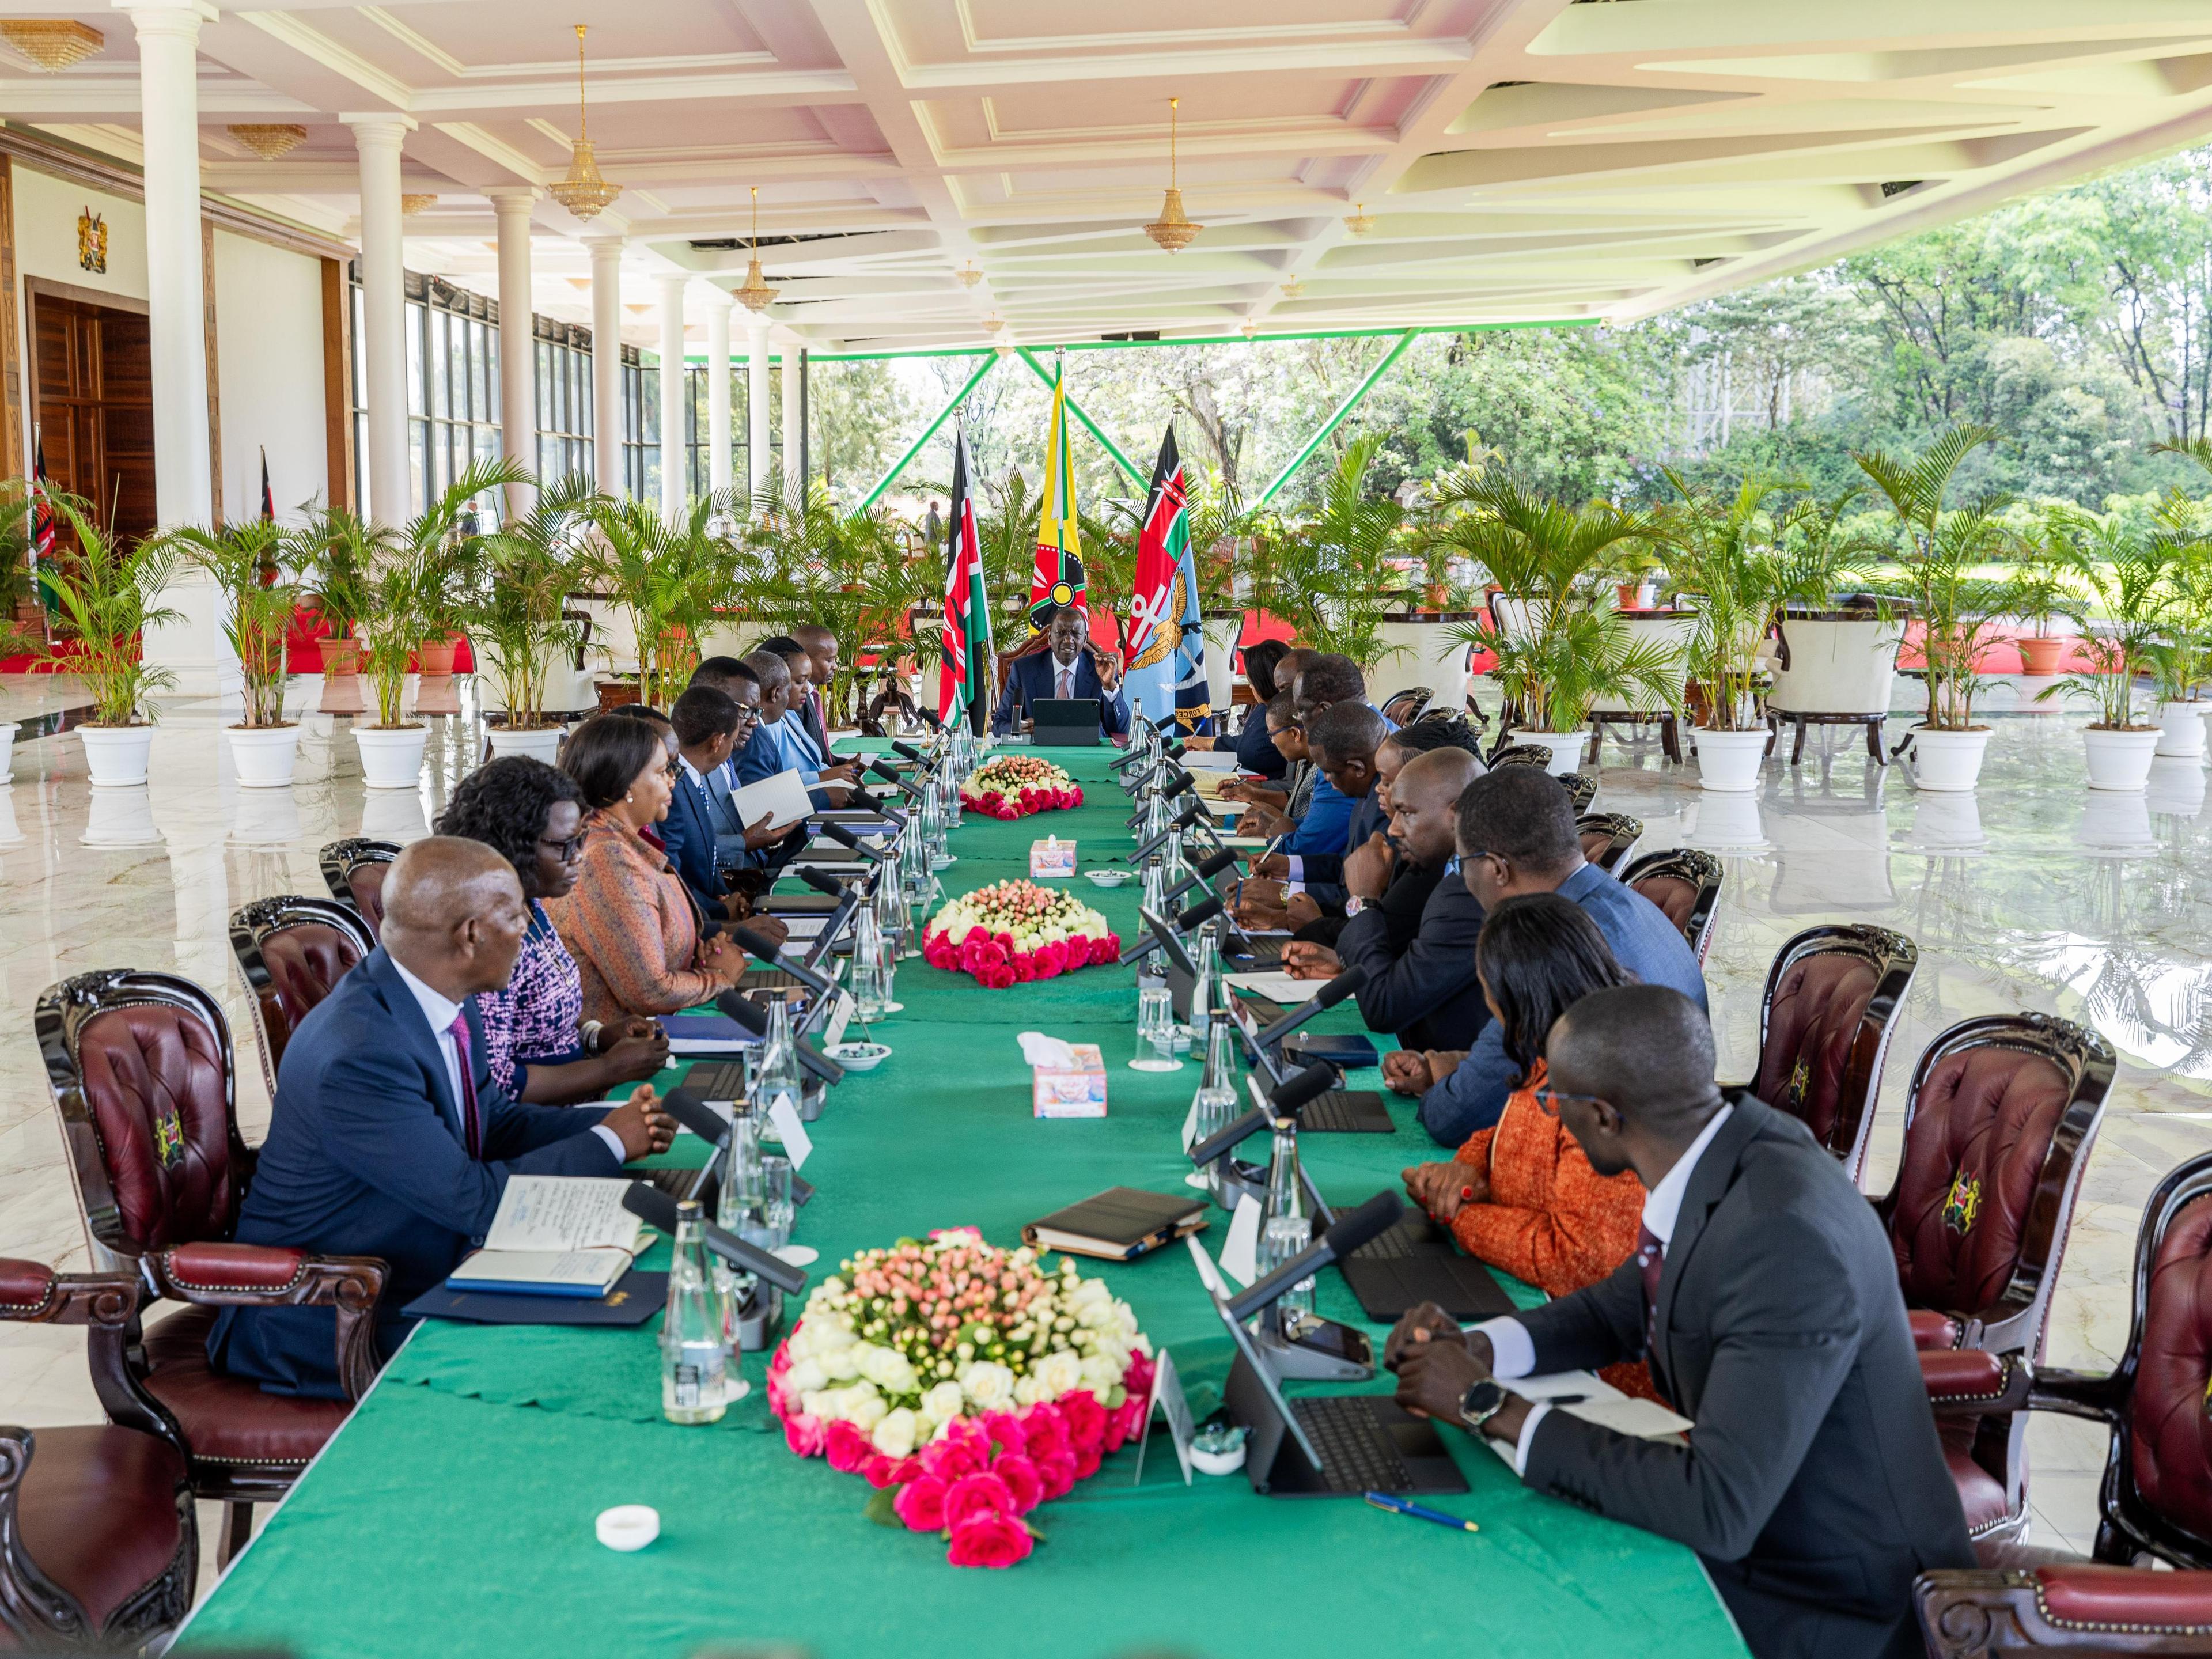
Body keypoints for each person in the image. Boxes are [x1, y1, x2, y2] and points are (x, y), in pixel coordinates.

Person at [1387, 984, 1974, 1658]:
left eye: (1556, 1104)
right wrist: (1480, 1348)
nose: (1552, 1116)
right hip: (1762, 1532)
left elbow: (1718, 1507)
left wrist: (1485, 1404)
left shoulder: (1786, 1241)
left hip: (1831, 1597)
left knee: (1510, 1606)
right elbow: (1623, 1306)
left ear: (1605, 1117)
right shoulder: (1722, 1144)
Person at [205, 837, 677, 1398]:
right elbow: (473, 1199)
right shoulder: (358, 1054)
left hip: (417, 1256)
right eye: (516, 915)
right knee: (583, 1360)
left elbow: (493, 1125)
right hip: (327, 1310)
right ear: (471, 935)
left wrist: (617, 1125)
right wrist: (609, 1143)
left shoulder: (439, 995)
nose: (528, 929)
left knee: (633, 1297)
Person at [1390, 766, 1707, 1146]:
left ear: (1496, 869)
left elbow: (1456, 1117)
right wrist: (1451, 1066)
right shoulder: (1627, 902)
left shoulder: (1552, 950)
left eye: (1461, 863)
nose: (1462, 877)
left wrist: (1443, 1088)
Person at [1397, 896, 1647, 1369]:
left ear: (1514, 997)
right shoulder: (1554, 1045)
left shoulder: (1598, 1093)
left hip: (1596, 1363)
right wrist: (1465, 1169)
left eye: (1487, 990)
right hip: (1536, 1308)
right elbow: (1506, 1129)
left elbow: (1575, 1258)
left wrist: (1455, 1212)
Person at [433, 757, 670, 1104]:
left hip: (579, 1092)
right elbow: (498, 1085)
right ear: (515, 844)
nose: (579, 857)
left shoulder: (530, 904)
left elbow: (539, 1030)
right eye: (564, 846)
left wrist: (600, 1037)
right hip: (533, 1125)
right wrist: (607, 1071)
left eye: (580, 841)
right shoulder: (487, 937)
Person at [546, 713, 759, 1023]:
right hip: (629, 1050)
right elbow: (650, 993)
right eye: (662, 772)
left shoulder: (626, 839)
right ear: (625, 784)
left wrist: (701, 951)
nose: (673, 781)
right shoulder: (607, 859)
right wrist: (720, 977)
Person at [1283, 747, 1488, 1050]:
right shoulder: (1447, 869)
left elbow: (1385, 1008)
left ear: (1456, 814)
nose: (1393, 828)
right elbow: (1417, 966)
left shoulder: (1470, 892)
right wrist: (1346, 964)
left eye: (1406, 814)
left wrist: (1364, 900)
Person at [1281, 710, 1484, 944]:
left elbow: (1385, 942)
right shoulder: (1424, 847)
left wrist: (1322, 919)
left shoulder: (1446, 877)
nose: (1379, 788)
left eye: (1389, 782)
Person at [662, 684, 798, 926]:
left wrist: (726, 896)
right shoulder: (673, 790)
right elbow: (673, 873)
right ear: (717, 743)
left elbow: (707, 855)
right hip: (697, 920)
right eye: (732, 741)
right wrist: (721, 910)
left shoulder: (692, 780)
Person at [685, 657, 797, 872]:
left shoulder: (727, 755)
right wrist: (743, 843)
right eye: (746, 711)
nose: (754, 721)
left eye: (756, 712)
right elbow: (686, 847)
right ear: (711, 705)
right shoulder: (685, 769)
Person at [736, 647, 861, 809]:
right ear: (775, 694)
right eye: (795, 685)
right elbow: (765, 805)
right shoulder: (754, 735)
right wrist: (823, 793)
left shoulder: (785, 718)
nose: (807, 689)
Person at [991, 603, 1130, 740]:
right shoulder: (1023, 670)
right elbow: (999, 725)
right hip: (1039, 756)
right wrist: (1017, 729)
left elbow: (1121, 730)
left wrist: (1109, 686)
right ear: (1050, 638)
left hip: (1088, 754)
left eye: (1076, 634)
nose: (1069, 640)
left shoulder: (1102, 670)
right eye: (1061, 633)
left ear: (1085, 638)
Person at [1184, 637, 1292, 778]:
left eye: (1251, 682)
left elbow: (1252, 748)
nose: (1250, 687)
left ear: (1264, 683)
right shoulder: (1264, 707)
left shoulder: (1285, 721)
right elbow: (1245, 741)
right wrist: (1207, 743)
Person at [793, 622, 841, 757]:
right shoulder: (795, 703)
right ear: (805, 659)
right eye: (829, 660)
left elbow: (821, 754)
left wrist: (841, 764)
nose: (835, 666)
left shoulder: (812, 695)